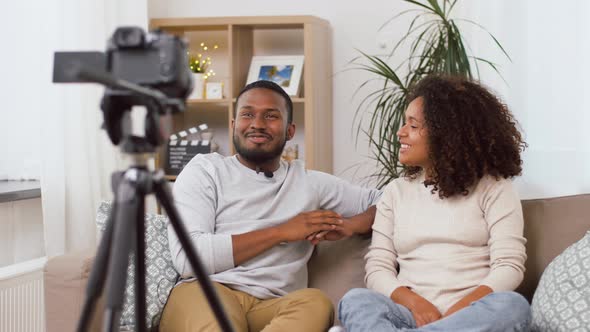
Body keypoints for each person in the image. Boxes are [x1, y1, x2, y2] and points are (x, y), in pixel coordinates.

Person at [159, 80, 381, 332]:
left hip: (274, 304)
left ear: (290, 130)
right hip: (205, 291)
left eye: (271, 116)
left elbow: (388, 200)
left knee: (316, 302)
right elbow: (189, 258)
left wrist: (351, 225)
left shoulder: (311, 183)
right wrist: (281, 232)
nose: (257, 124)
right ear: (234, 125)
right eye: (247, 114)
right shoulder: (205, 170)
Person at [338, 75, 531, 332]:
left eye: (413, 125)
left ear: (446, 134)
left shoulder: (495, 188)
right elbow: (378, 267)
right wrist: (415, 304)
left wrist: (456, 314)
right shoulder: (395, 192)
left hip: (469, 317)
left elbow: (509, 266)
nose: (401, 132)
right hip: (410, 315)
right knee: (356, 301)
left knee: (513, 307)